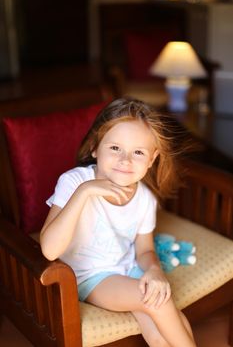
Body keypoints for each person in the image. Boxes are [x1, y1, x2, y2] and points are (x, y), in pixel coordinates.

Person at [40, 98, 197, 347]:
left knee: (165, 327)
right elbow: (49, 249)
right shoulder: (73, 182)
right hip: (90, 276)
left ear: (152, 158)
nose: (126, 160)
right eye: (115, 148)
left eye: (138, 152)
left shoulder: (145, 198)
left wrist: (155, 271)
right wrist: (85, 192)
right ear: (95, 147)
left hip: (129, 268)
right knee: (157, 302)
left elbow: (144, 249)